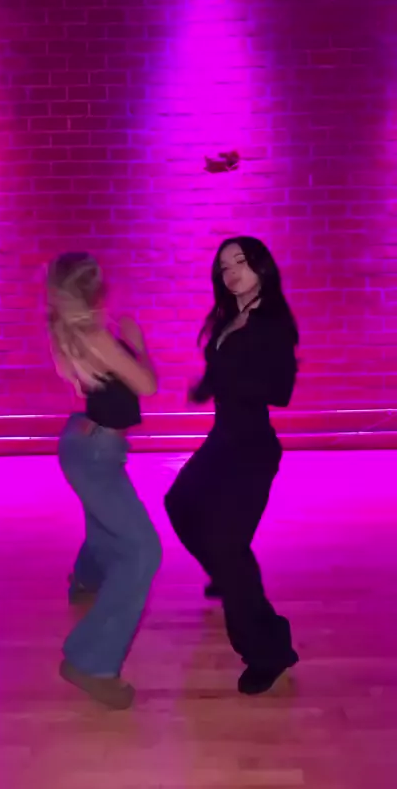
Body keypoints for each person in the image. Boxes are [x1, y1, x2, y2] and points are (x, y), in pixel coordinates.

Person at [164, 237, 299, 696]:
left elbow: (281, 390)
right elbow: (221, 370)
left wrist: (230, 378)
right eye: (224, 267)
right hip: (223, 438)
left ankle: (268, 651)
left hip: (252, 447)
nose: (232, 272)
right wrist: (205, 386)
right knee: (180, 504)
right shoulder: (227, 317)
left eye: (241, 262)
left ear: (262, 266)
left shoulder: (273, 322)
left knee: (229, 546)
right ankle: (227, 575)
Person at [47, 252, 162, 710]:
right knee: (143, 551)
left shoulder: (66, 327)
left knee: (103, 524)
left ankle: (85, 580)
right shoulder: (95, 335)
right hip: (95, 451)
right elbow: (147, 386)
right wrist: (139, 344)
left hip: (84, 441)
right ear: (96, 289)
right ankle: (91, 662)